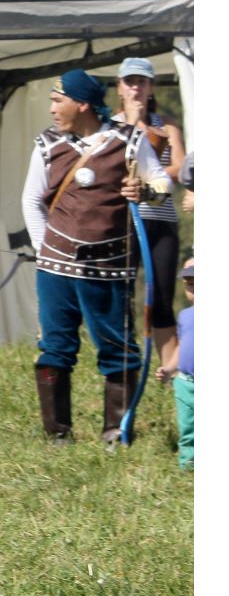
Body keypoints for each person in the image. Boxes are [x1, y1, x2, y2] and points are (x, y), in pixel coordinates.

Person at [21, 69, 170, 446]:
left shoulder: (130, 140)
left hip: (109, 268)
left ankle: (115, 434)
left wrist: (145, 191)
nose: (52, 109)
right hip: (55, 268)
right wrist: (44, 249)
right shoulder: (47, 143)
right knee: (54, 348)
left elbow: (163, 184)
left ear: (82, 104)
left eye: (59, 101)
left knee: (118, 350)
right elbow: (31, 200)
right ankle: (57, 435)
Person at [111, 57, 184, 371]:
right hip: (123, 219)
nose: (135, 88)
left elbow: (180, 168)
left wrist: (151, 178)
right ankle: (123, 367)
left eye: (141, 81)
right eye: (129, 82)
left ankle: (171, 371)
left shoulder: (166, 126)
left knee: (163, 298)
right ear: (119, 87)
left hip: (161, 219)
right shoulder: (109, 125)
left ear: (151, 86)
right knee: (120, 296)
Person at [156, 260, 193, 471]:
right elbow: (181, 346)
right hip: (185, 383)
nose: (194, 290)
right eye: (190, 284)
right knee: (187, 426)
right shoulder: (185, 316)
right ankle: (188, 465)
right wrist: (170, 368)